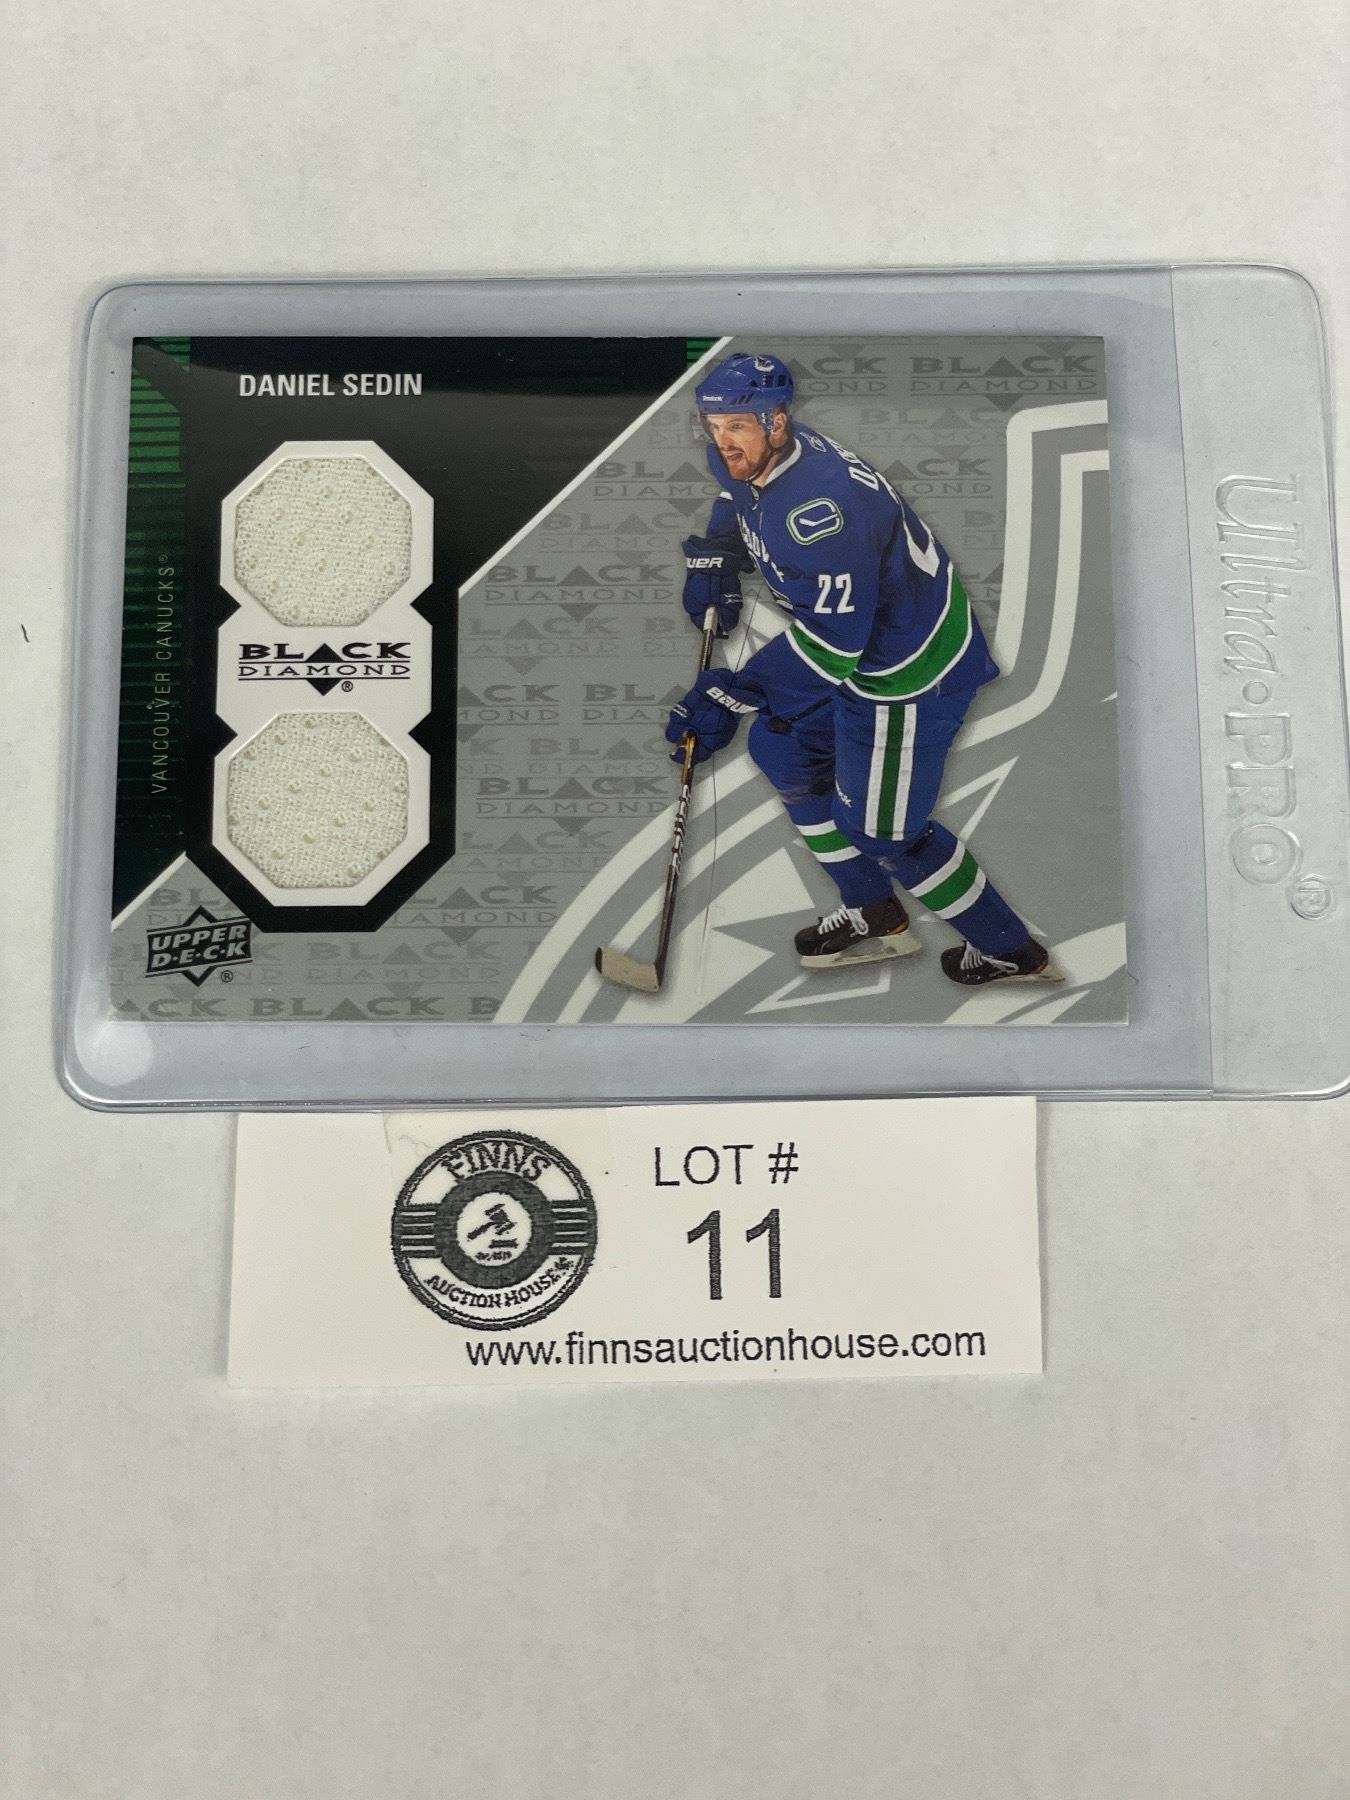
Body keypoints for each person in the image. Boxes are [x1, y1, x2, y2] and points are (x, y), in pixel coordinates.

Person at [665, 351, 1059, 986]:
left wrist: (734, 695)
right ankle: (876, 912)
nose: (723, 441)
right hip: (862, 649)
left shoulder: (821, 510)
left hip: (907, 673)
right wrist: (715, 555)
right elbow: (734, 496)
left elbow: (833, 645)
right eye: (713, 426)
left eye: (736, 425)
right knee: (784, 749)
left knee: (885, 834)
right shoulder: (757, 456)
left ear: (776, 422)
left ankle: (1010, 950)